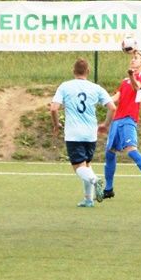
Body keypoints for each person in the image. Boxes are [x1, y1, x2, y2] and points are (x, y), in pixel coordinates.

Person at [50, 58, 116, 207]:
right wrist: (105, 124)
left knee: (78, 167)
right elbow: (112, 107)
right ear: (88, 72)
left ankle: (95, 180)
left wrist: (56, 124)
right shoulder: (96, 88)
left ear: (73, 71)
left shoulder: (65, 86)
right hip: (90, 134)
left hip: (74, 134)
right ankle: (88, 199)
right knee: (86, 165)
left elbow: (54, 108)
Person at [103, 49, 141, 202]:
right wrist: (100, 99)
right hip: (117, 119)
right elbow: (116, 97)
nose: (132, 60)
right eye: (133, 58)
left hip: (129, 118)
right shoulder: (125, 80)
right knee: (109, 153)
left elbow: (137, 87)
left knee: (131, 151)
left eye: (136, 58)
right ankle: (108, 189)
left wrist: (131, 75)